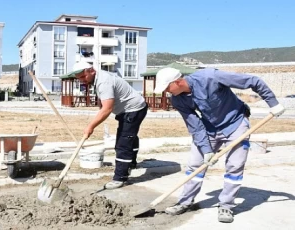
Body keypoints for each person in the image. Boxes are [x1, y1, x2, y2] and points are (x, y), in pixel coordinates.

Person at [153, 67, 285, 223]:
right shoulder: (177, 99)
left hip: (235, 123)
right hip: (209, 128)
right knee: (195, 165)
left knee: (235, 166)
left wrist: (273, 102)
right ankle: (185, 201)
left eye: (167, 87)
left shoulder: (210, 77)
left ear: (178, 81)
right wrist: (207, 149)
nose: (166, 92)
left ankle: (226, 205)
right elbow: (194, 125)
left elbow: (252, 81)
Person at [68, 60, 148, 189]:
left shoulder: (103, 81)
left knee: (123, 142)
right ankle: (131, 163)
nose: (82, 80)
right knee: (130, 136)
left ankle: (120, 177)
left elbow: (107, 109)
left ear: (92, 70)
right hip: (130, 108)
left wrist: (91, 126)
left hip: (133, 109)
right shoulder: (99, 77)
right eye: (79, 78)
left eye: (83, 77)